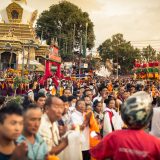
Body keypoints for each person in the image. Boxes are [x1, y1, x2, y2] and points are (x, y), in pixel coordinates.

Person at [90, 91, 160, 160]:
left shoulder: (113, 137)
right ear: (148, 119)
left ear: (124, 116)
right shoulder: (155, 143)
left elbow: (95, 153)